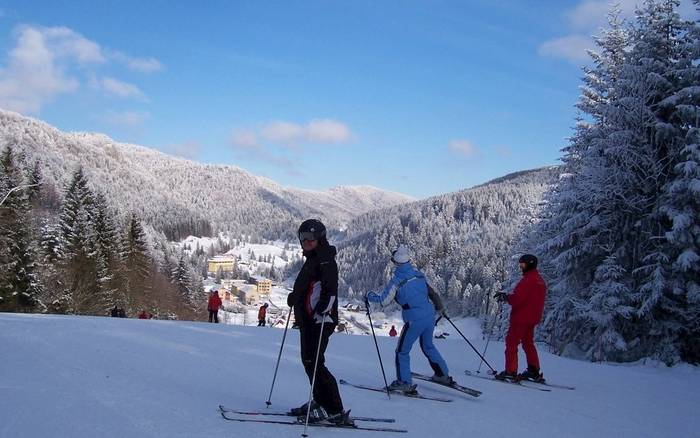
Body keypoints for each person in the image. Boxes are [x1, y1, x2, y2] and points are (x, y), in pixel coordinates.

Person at [286, 219, 352, 426]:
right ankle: (321, 401)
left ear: (320, 238)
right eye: (302, 238)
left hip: (320, 319)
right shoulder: (314, 257)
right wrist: (295, 296)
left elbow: (330, 288)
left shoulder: (324, 259)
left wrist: (323, 310)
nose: (305, 241)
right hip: (309, 318)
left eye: (310, 238)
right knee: (309, 361)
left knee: (314, 363)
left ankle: (334, 409)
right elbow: (309, 286)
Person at [366, 244, 453, 393]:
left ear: (396, 262)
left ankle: (404, 382)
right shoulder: (419, 274)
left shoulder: (396, 281)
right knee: (428, 346)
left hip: (414, 319)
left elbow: (383, 301)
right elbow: (432, 293)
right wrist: (440, 308)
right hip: (429, 315)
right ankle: (442, 374)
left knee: (402, 351)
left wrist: (369, 295)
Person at [493, 254, 547, 383]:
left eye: (523, 264)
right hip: (532, 318)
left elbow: (517, 299)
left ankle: (510, 371)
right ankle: (534, 370)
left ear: (530, 264)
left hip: (521, 318)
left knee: (512, 343)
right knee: (528, 343)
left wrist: (506, 297)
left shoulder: (527, 280)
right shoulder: (540, 280)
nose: (521, 267)